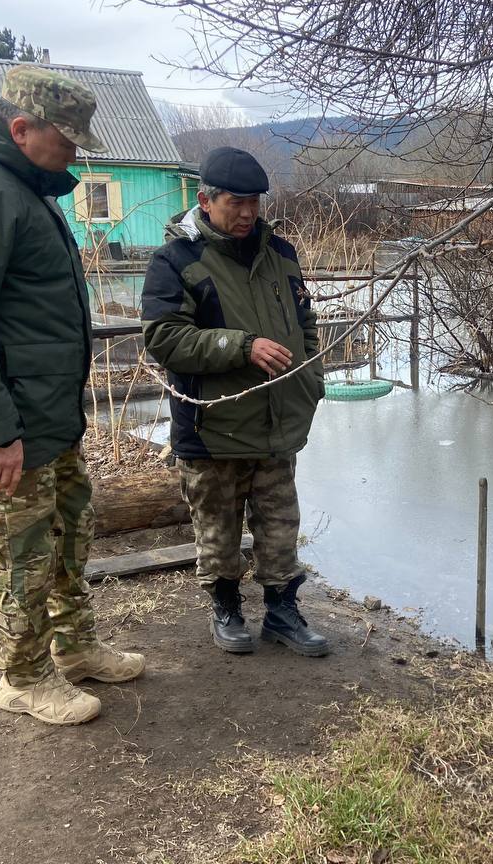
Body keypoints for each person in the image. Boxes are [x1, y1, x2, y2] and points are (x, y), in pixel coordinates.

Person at [0, 65, 145, 726]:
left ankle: (73, 647)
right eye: (68, 143)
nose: (75, 155)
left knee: (69, 533)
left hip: (48, 417)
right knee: (21, 557)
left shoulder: (20, 181)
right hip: (11, 424)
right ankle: (22, 676)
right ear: (22, 129)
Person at [141, 146, 328, 656]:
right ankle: (226, 608)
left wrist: (312, 377)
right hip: (212, 426)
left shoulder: (281, 254)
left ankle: (282, 612)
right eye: (235, 203)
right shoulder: (175, 261)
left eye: (255, 203)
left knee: (280, 524)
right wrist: (240, 346)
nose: (247, 213)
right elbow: (163, 338)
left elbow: (304, 323)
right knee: (217, 527)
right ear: (204, 200)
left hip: (276, 421)